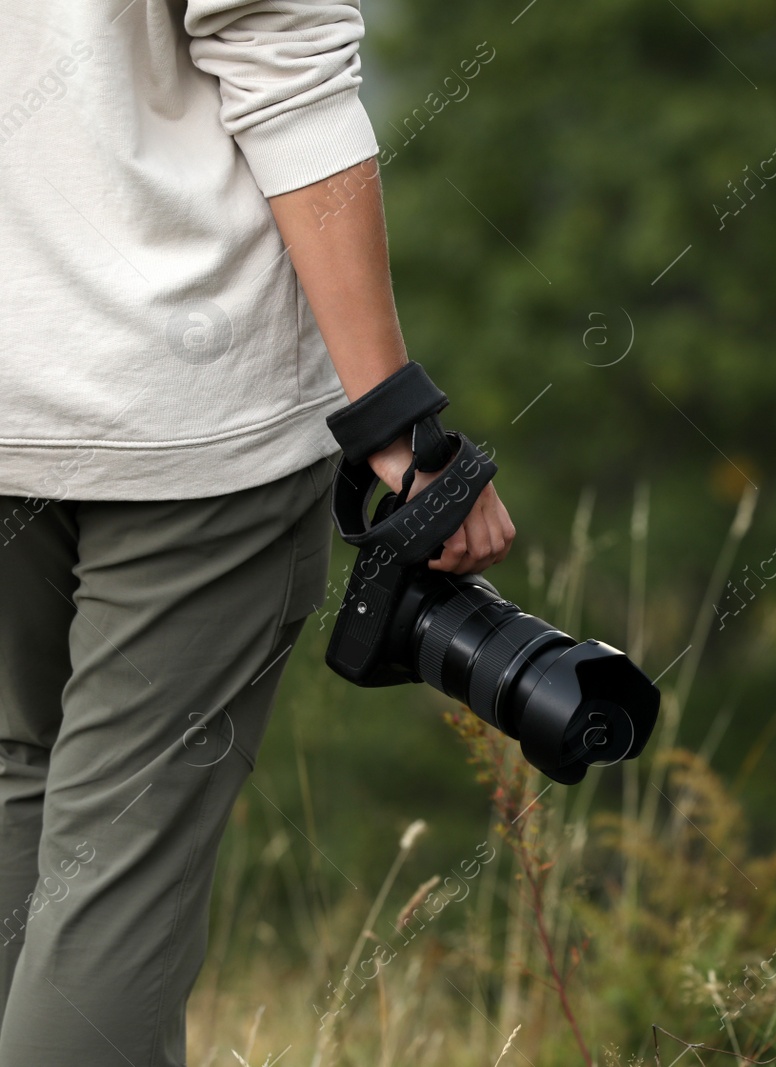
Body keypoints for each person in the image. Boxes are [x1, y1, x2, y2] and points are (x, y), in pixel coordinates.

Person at [0, 1, 515, 1061]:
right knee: (117, 864)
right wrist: (397, 425)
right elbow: (285, 68)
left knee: (14, 783)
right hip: (180, 417)